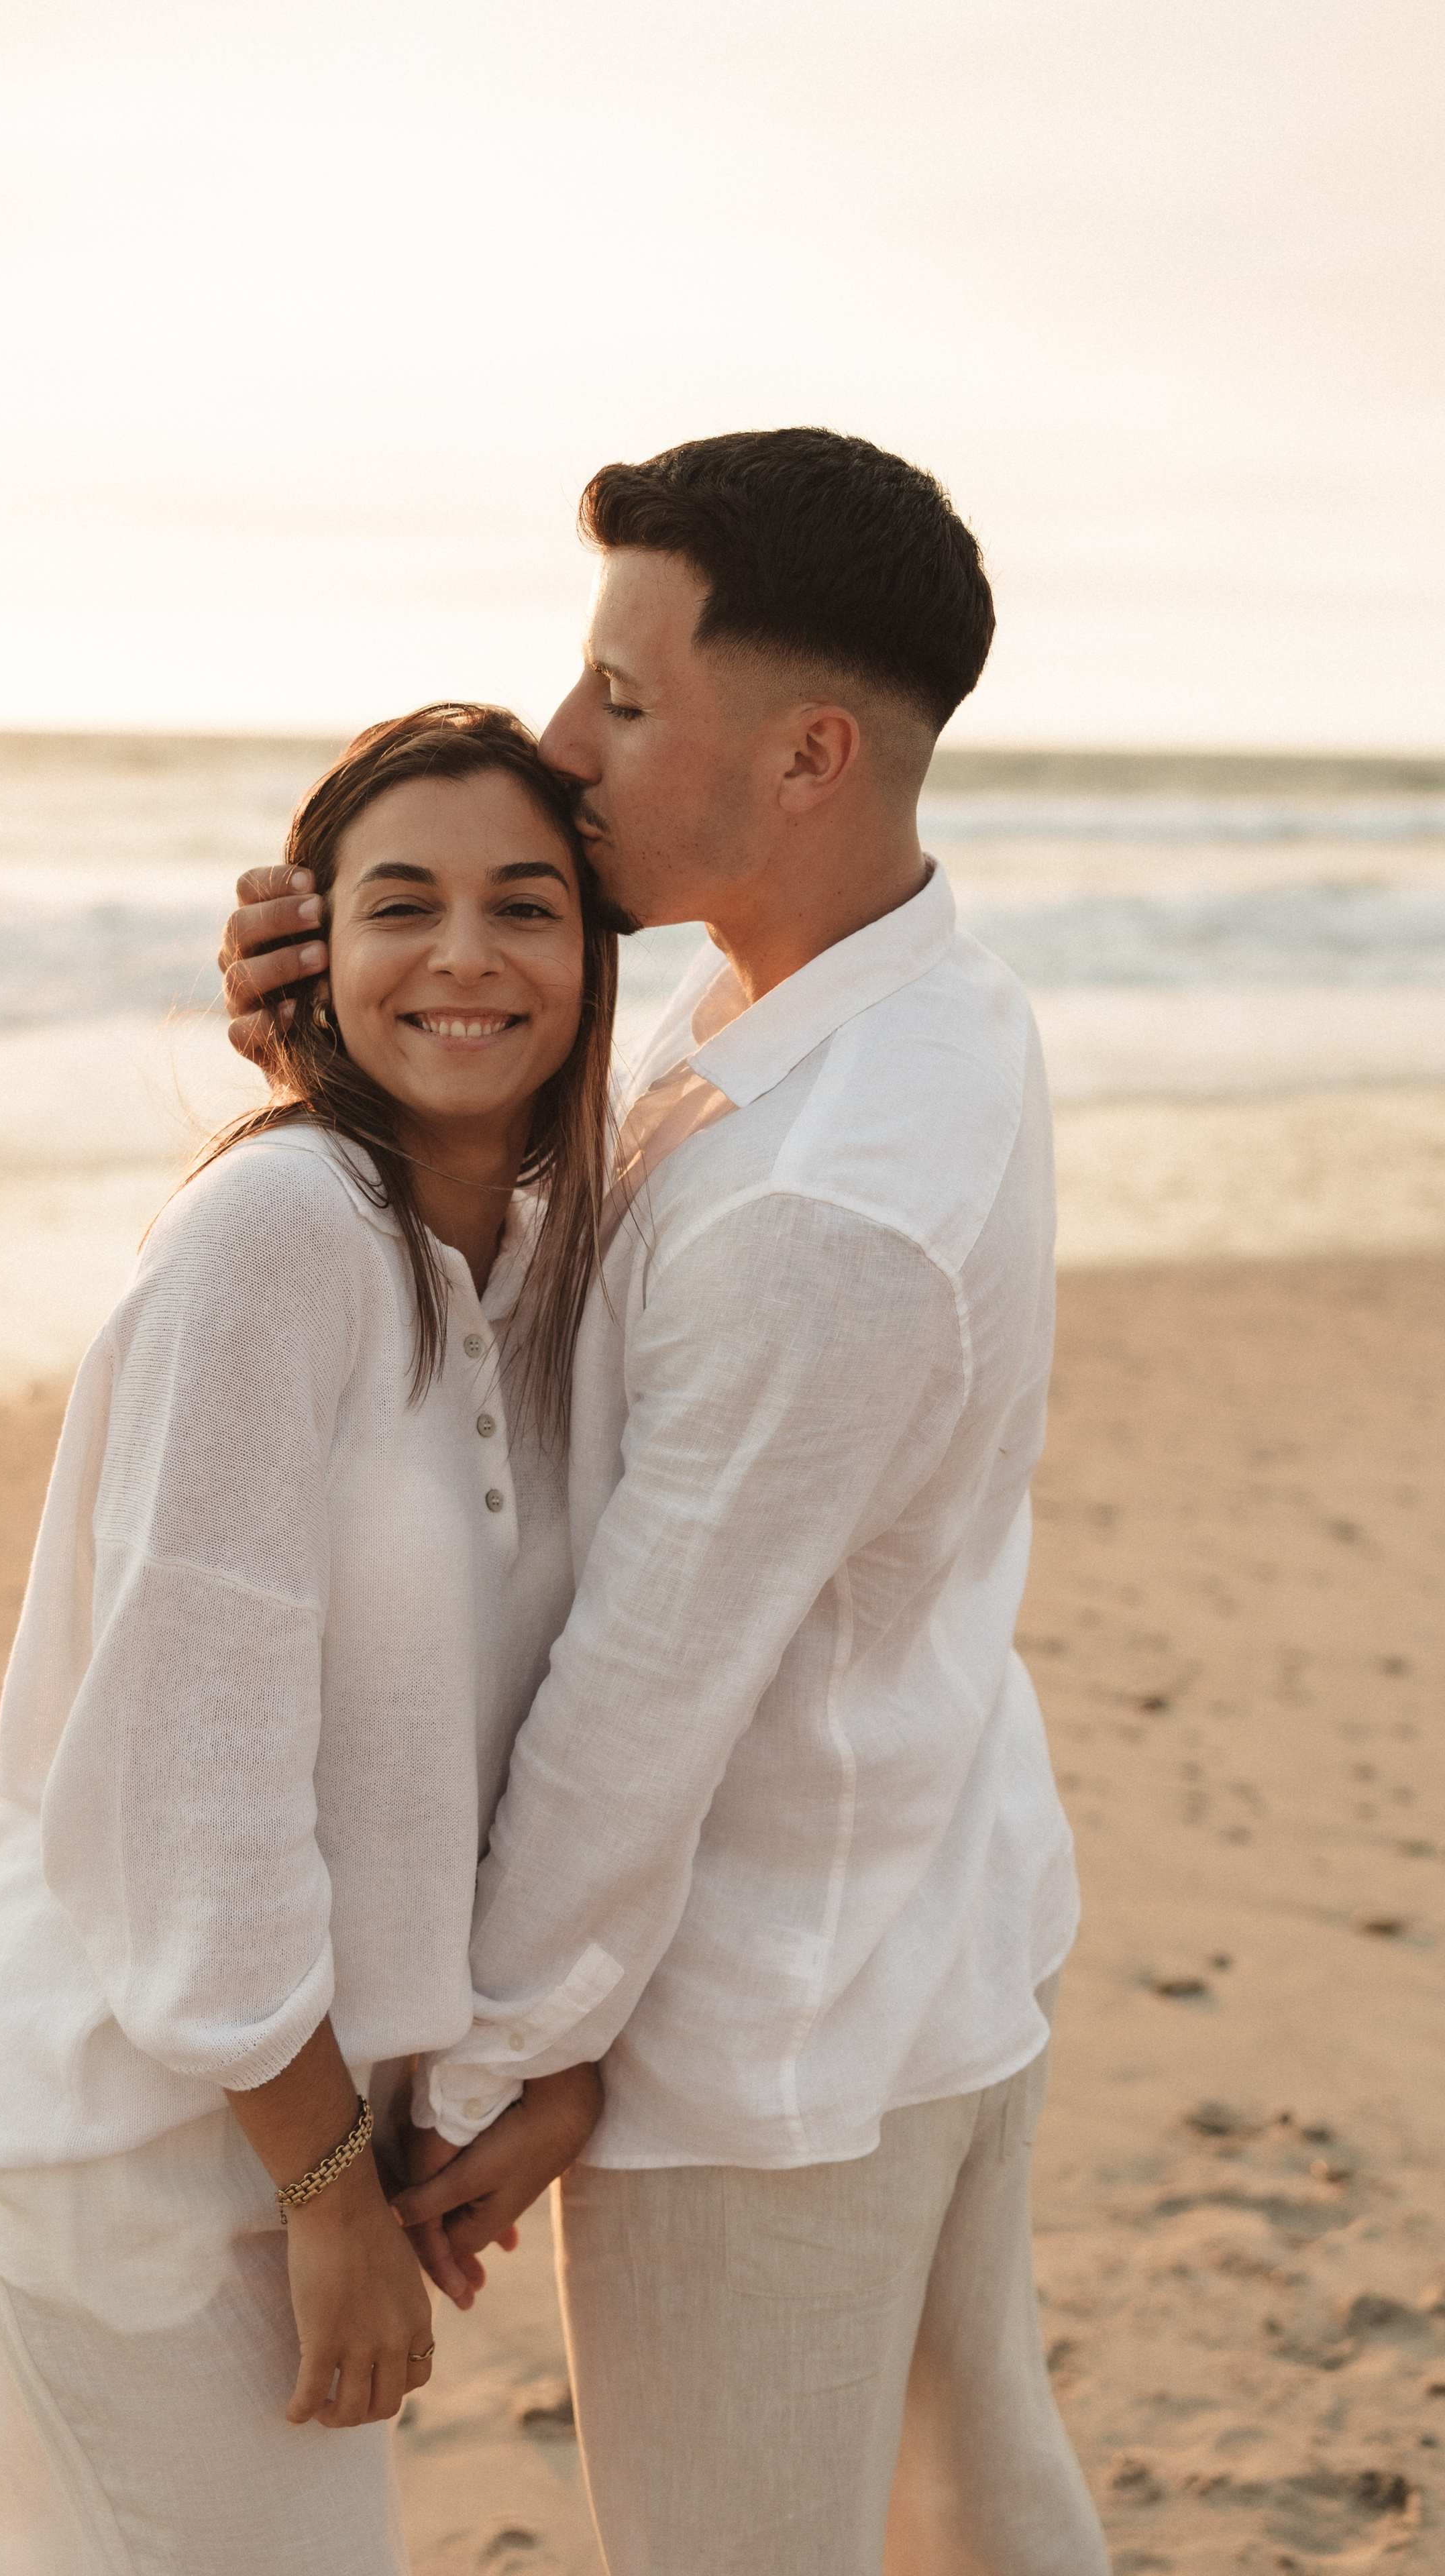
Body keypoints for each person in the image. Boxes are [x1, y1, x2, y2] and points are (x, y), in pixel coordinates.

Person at [222, 430, 1112, 2573]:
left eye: (625, 694)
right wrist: (335, 1058)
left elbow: (643, 1692)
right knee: (975, 2502)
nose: (561, 740)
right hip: (928, 1913)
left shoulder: (831, 1200)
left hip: (766, 2033)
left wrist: (483, 2067)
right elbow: (601, 1298)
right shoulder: (852, 1005)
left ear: (810, 753)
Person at [0, 704, 612, 2576]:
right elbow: (184, 1768)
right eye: (404, 907)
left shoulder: (533, 1272)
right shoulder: (274, 1236)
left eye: (525, 907)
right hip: (135, 2139)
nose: (465, 955)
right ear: (315, 957)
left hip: (298, 2129)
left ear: (598, 960)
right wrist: (323, 2193)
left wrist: (508, 2078)